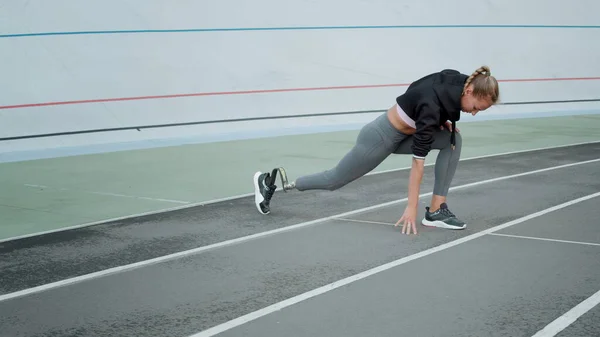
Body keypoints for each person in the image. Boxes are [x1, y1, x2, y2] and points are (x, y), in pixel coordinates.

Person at [253, 66, 499, 235]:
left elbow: (415, 86)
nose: (475, 112)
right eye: (476, 107)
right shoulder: (431, 107)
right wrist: (411, 207)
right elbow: (417, 165)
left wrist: (432, 122)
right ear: (469, 92)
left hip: (406, 133)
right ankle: (276, 183)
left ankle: (436, 210)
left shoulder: (458, 80)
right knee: (333, 180)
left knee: (452, 139)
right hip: (380, 137)